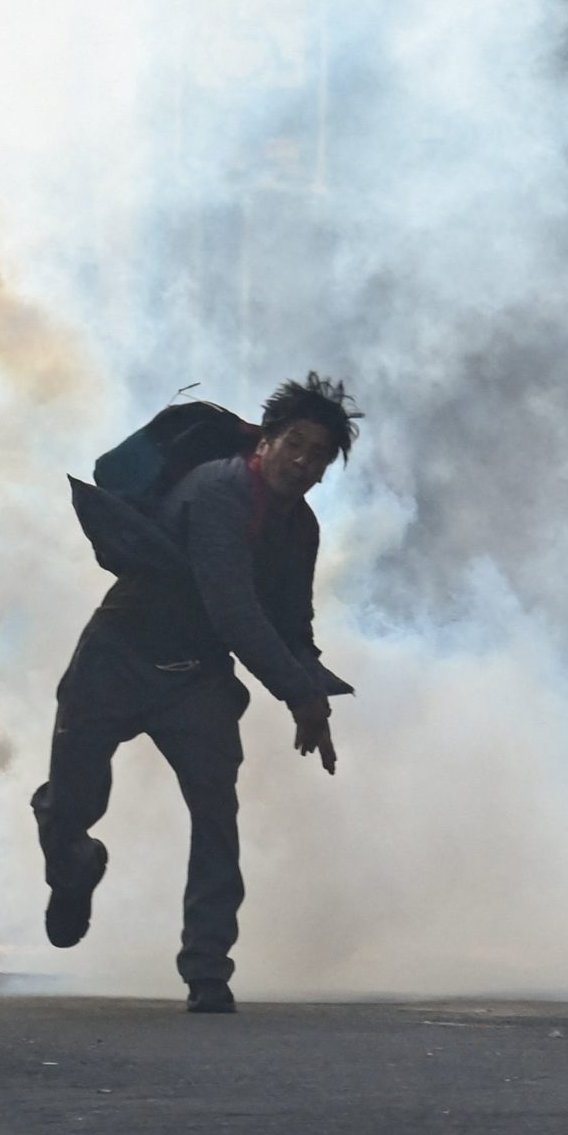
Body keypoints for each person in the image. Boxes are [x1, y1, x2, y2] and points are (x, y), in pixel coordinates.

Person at [33, 376, 358, 1014]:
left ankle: (207, 969)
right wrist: (299, 694)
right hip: (118, 655)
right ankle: (75, 867)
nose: (303, 461)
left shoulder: (301, 529)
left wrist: (313, 690)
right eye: (294, 443)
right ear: (264, 442)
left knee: (216, 815)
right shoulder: (219, 489)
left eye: (319, 454)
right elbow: (232, 607)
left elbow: (293, 624)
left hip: (198, 678)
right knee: (71, 806)